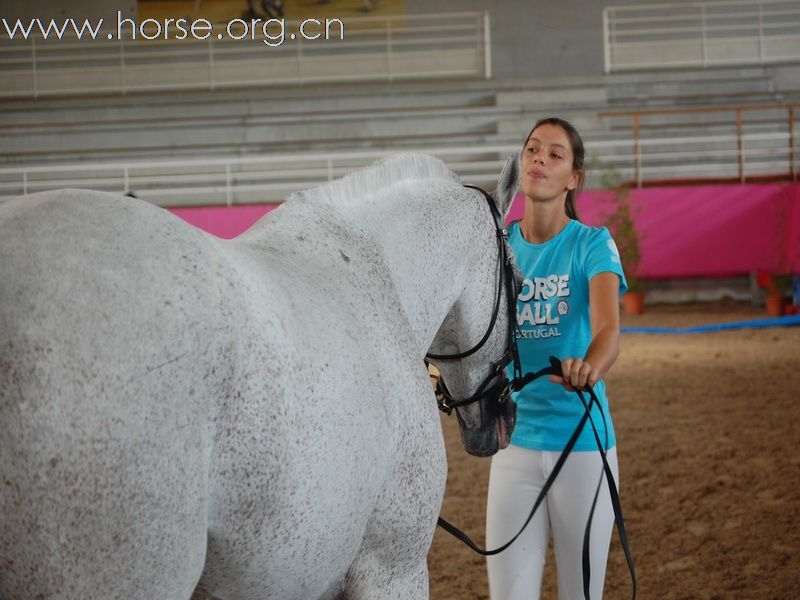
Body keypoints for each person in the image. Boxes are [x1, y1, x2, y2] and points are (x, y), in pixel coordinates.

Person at [486, 117, 628, 600]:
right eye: (531, 150)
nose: (539, 159)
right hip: (514, 447)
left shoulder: (592, 244)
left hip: (584, 446)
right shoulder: (497, 249)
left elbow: (609, 330)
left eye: (554, 153)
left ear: (574, 178)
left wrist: (590, 366)